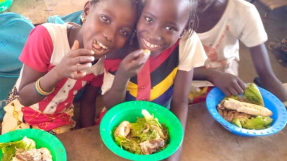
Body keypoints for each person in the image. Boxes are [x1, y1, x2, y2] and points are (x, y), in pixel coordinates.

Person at [1, 0, 141, 134]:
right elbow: (24, 98)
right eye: (105, 18)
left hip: (60, 120)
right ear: (87, 10)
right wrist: (58, 73)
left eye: (124, 32)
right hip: (20, 113)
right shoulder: (47, 37)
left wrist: (87, 133)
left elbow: (88, 102)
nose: (110, 35)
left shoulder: (103, 63)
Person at [101, 0, 206, 160]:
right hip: (117, 125)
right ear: (139, 14)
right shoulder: (120, 44)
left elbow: (181, 101)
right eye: (149, 20)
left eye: (170, 28)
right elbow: (111, 106)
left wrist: (174, 151)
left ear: (185, 26)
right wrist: (122, 75)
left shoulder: (186, 43)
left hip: (162, 123)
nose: (154, 34)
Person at [189, 0, 287, 104]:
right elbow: (171, 70)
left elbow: (266, 75)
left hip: (224, 89)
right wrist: (210, 74)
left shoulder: (242, 12)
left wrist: (285, 104)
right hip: (178, 87)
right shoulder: (172, 9)